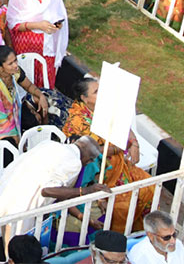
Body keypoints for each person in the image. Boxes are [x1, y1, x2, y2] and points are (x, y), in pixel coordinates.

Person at [63, 76, 154, 231]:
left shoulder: (105, 108)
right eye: (97, 92)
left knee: (149, 186)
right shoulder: (78, 121)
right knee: (124, 204)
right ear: (84, 98)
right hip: (96, 171)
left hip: (118, 165)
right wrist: (121, 147)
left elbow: (124, 126)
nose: (102, 94)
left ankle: (140, 234)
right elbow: (93, 151)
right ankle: (118, 239)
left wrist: (134, 143)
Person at [7, 0, 70, 88]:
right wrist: (37, 25)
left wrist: (57, 24)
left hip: (47, 44)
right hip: (26, 43)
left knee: (45, 74)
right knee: (26, 73)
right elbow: (13, 24)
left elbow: (58, 13)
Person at [0, 44, 50, 144]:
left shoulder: (14, 71)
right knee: (13, 140)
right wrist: (14, 133)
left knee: (42, 102)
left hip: (13, 111)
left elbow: (29, 86)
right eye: (10, 63)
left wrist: (41, 96)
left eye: (15, 60)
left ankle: (46, 138)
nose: (15, 65)